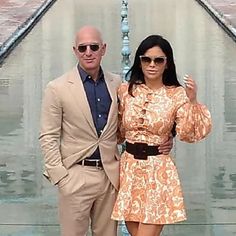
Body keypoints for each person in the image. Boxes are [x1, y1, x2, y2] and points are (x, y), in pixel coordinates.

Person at [39, 26, 173, 236]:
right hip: (75, 175)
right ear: (75, 51)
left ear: (103, 49)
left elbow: (132, 124)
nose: (88, 52)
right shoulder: (57, 88)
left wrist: (167, 138)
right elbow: (48, 136)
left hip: (110, 176)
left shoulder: (118, 84)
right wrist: (61, 177)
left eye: (94, 47)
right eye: (83, 48)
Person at [111, 35, 212, 236]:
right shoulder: (125, 91)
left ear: (167, 64)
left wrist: (192, 101)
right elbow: (115, 131)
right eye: (146, 59)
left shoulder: (177, 94)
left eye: (159, 60)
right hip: (129, 170)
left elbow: (190, 133)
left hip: (158, 171)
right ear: (139, 62)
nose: (152, 65)